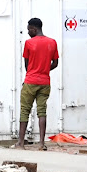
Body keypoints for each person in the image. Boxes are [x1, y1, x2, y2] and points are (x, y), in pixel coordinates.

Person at [13, 18, 59, 151]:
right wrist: (44, 69)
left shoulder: (28, 43)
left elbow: (27, 66)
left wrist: (36, 70)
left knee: (24, 111)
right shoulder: (52, 42)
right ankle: (41, 144)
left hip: (30, 81)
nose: (28, 32)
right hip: (45, 82)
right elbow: (55, 64)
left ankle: (20, 144)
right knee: (42, 111)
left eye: (29, 30)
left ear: (34, 28)